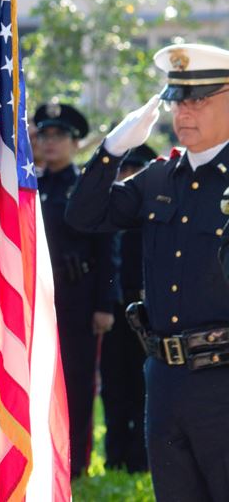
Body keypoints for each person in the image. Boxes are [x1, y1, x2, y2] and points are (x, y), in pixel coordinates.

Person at [66, 43, 229, 501]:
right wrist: (112, 150)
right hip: (165, 377)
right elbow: (84, 217)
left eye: (200, 99)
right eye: (179, 100)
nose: (185, 111)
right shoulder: (160, 177)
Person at [34, 102, 118, 477]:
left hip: (77, 299)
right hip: (35, 300)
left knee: (76, 384)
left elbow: (105, 248)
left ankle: (75, 463)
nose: (51, 143)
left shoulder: (84, 186)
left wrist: (104, 304)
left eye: (60, 136)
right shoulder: (30, 183)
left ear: (75, 142)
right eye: (45, 135)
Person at [100, 144, 156, 473]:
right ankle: (114, 455)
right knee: (113, 385)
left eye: (135, 170)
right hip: (117, 308)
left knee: (142, 385)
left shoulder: (155, 212)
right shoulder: (112, 212)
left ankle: (139, 457)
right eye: (123, 170)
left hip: (148, 312)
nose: (127, 177)